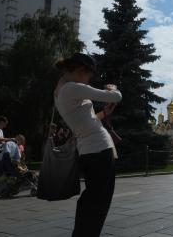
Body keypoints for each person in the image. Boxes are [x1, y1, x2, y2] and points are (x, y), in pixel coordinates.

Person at [54, 53, 122, 237]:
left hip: (89, 150)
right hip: (99, 149)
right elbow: (116, 96)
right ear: (80, 71)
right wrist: (112, 88)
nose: (89, 80)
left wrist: (103, 113)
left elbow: (84, 121)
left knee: (91, 200)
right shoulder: (72, 88)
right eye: (89, 76)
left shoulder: (59, 90)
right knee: (98, 203)